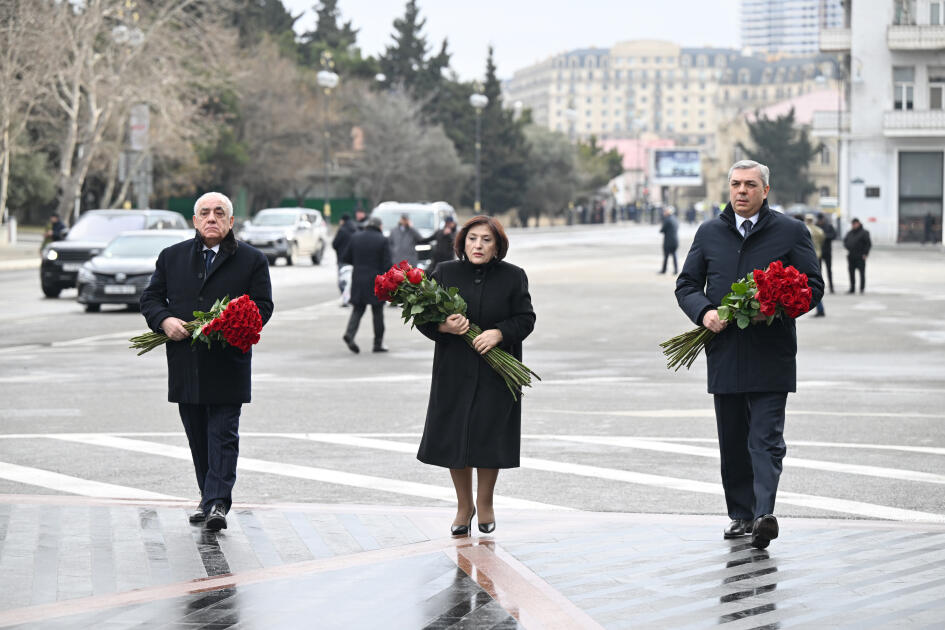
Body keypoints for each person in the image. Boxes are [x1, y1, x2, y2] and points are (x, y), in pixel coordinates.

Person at [675, 160, 823, 550]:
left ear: (765, 191)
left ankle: (764, 514)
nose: (741, 191)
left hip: (771, 351)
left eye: (750, 185)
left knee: (766, 438)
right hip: (724, 350)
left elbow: (813, 286)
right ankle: (740, 514)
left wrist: (776, 308)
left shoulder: (791, 232)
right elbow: (687, 284)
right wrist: (704, 311)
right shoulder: (709, 233)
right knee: (733, 439)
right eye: (736, 184)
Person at [140, 192, 274, 532]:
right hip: (187, 362)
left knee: (223, 435)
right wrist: (165, 321)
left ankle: (218, 502)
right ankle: (207, 497)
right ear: (195, 221)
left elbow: (263, 306)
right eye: (204, 213)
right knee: (198, 436)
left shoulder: (251, 259)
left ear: (231, 222)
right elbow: (152, 298)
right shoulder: (172, 257)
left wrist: (231, 324)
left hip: (228, 362)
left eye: (219, 213)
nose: (211, 218)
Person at [416, 216, 535, 537]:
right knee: (456, 437)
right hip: (454, 369)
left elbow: (525, 319)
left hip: (497, 370)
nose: (478, 245)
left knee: (488, 436)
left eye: (486, 240)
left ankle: (485, 503)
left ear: (497, 246)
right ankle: (463, 506)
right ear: (462, 243)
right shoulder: (443, 273)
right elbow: (423, 318)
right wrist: (444, 327)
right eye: (472, 239)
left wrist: (499, 333)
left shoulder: (513, 277)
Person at [341, 216, 392, 353]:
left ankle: (349, 335)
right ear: (379, 226)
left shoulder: (355, 237)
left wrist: (359, 264)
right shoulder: (382, 240)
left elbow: (345, 257)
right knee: (378, 312)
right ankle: (378, 343)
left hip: (358, 278)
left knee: (358, 309)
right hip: (376, 280)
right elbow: (387, 264)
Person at [332, 214, 357, 305]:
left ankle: (345, 298)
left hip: (342, 259)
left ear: (342, 220)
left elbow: (334, 244)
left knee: (342, 280)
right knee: (351, 280)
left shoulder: (342, 230)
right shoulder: (355, 229)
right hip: (354, 260)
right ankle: (350, 297)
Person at [804, 214, 826, 317]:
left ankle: (820, 309)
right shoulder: (819, 230)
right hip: (818, 255)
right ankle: (820, 308)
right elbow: (822, 240)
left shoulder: (804, 229)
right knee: (817, 281)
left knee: (811, 283)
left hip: (809, 258)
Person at [843, 218, 871, 294]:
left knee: (861, 273)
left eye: (855, 224)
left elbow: (868, 244)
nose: (853, 225)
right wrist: (848, 246)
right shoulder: (850, 232)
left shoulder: (864, 232)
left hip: (860, 256)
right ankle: (852, 288)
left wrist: (865, 254)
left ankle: (862, 288)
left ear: (858, 223)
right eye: (852, 224)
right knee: (851, 273)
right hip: (851, 255)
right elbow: (845, 241)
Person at [815, 213, 836, 294]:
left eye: (821, 220)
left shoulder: (829, 226)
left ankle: (831, 287)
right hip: (818, 252)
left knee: (829, 270)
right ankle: (819, 287)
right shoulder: (816, 226)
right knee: (818, 271)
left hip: (827, 251)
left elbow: (834, 235)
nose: (820, 221)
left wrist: (824, 236)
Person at [659, 207, 679, 274]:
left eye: (665, 211)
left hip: (668, 241)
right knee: (674, 255)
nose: (664, 213)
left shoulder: (667, 220)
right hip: (675, 240)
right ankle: (676, 270)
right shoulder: (675, 219)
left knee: (666, 256)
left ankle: (664, 270)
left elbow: (662, 230)